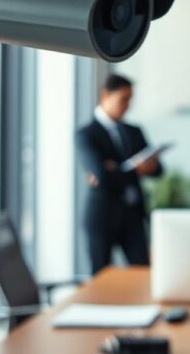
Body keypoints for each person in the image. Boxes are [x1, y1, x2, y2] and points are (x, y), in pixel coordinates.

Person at [76, 74, 164, 275]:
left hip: (133, 215)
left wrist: (115, 169)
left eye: (131, 99)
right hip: (102, 216)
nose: (128, 105)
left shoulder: (134, 131)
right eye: (123, 99)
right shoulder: (86, 134)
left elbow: (158, 169)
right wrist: (136, 170)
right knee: (100, 277)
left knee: (143, 274)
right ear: (106, 95)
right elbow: (101, 176)